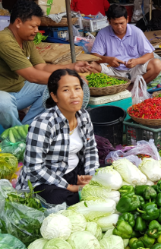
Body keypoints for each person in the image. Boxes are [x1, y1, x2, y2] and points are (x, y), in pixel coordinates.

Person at [0, 0, 91, 129]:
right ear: (18, 22)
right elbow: (32, 76)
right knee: (3, 103)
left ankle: (29, 128)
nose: (37, 30)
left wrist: (71, 67)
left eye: (38, 26)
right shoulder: (5, 40)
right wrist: (70, 79)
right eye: (33, 26)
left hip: (19, 90)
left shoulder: (26, 40)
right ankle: (16, 135)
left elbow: (42, 67)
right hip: (3, 94)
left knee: (49, 89)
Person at [16, 69, 99, 206]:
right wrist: (69, 187)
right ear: (54, 96)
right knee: (59, 200)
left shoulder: (83, 116)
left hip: (74, 172)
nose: (74, 95)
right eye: (66, 90)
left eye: (77, 88)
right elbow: (34, 167)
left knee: (109, 177)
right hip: (46, 179)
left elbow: (90, 149)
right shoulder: (43, 123)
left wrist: (90, 176)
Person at [90, 4, 161, 85]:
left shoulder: (136, 32)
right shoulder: (103, 33)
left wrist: (136, 61)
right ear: (109, 21)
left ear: (127, 19)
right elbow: (94, 56)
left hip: (133, 70)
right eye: (115, 24)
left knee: (157, 64)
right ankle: (112, 86)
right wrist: (108, 59)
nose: (119, 27)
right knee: (90, 65)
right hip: (111, 70)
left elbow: (150, 55)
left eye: (122, 23)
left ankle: (133, 87)